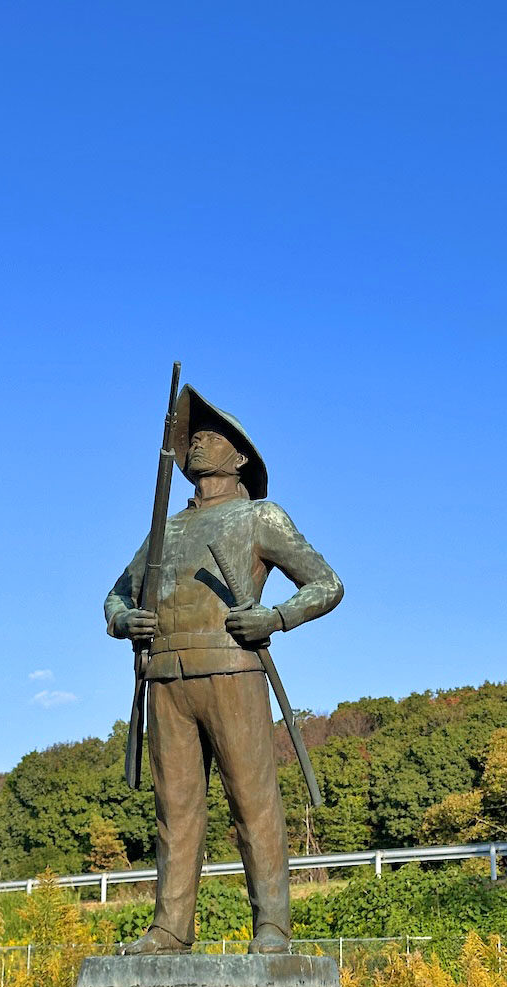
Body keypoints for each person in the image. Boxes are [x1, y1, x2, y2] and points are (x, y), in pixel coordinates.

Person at [105, 385, 343, 954]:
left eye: (211, 436)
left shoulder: (259, 517)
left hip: (231, 669)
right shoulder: (165, 529)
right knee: (175, 812)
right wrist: (125, 621)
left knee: (252, 800)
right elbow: (115, 597)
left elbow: (327, 583)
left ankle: (272, 924)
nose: (196, 443)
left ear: (239, 458)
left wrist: (276, 617)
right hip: (165, 679)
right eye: (193, 437)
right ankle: (170, 928)